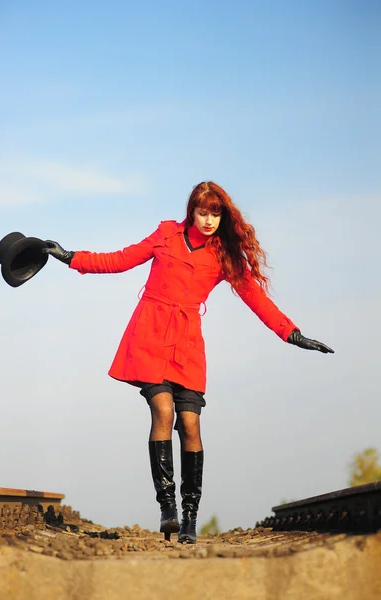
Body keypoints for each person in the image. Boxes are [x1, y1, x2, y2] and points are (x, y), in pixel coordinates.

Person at [43, 181, 334, 544]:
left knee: (192, 424)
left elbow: (257, 299)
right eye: (203, 212)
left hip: (188, 344)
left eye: (216, 213)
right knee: (163, 411)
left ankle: (190, 518)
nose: (209, 220)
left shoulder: (224, 254)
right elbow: (121, 259)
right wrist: (72, 257)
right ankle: (168, 508)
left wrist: (292, 333)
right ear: (191, 211)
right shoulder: (166, 234)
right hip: (149, 335)